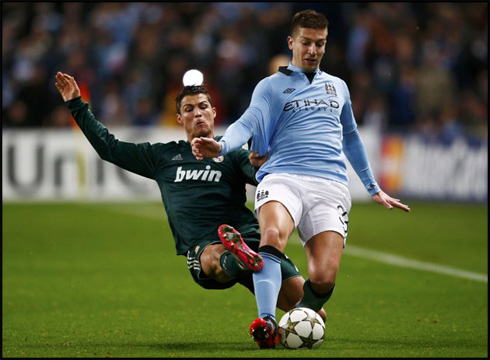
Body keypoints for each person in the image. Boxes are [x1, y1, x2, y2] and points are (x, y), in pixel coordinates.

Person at [191, 9, 411, 349]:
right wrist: (220, 146)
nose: (312, 50)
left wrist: (372, 186)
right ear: (292, 42)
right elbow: (246, 123)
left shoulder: (338, 87)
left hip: (330, 185)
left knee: (323, 277)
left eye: (319, 44)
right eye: (306, 42)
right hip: (282, 177)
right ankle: (265, 321)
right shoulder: (271, 86)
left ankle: (300, 319)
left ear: (326, 45)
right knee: (273, 235)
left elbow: (351, 137)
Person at [54, 72, 327, 322]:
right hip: (205, 244)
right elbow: (109, 147)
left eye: (203, 107)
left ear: (214, 112)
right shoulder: (162, 156)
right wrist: (77, 104)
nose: (197, 113)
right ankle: (238, 259)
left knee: (314, 316)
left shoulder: (230, 152)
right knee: (214, 256)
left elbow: (261, 176)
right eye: (189, 109)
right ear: (179, 119)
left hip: (250, 237)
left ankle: (246, 263)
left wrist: (261, 164)